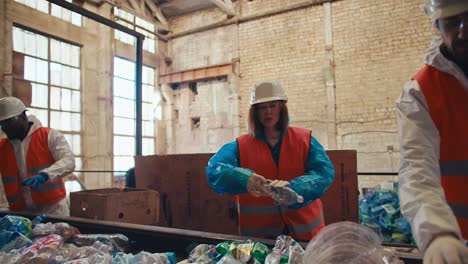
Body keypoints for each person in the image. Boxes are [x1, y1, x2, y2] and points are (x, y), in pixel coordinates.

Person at [205, 80, 334, 241]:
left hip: (305, 236)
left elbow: (325, 172)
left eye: (272, 106)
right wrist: (244, 178)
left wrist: (295, 190)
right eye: (262, 107)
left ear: (281, 107)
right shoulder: (240, 146)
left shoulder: (305, 140)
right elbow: (214, 169)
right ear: (255, 112)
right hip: (262, 241)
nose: (268, 112)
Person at [396, 1, 468, 263]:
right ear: (437, 25)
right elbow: (417, 168)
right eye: (451, 23)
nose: (462, 32)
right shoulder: (421, 92)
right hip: (459, 243)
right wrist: (438, 234)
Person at [0, 97, 75, 216]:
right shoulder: (3, 147)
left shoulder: (49, 136)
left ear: (23, 116)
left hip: (53, 211)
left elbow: (69, 161)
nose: (5, 127)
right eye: (2, 123)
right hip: (21, 214)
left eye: (10, 121)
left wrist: (45, 175)